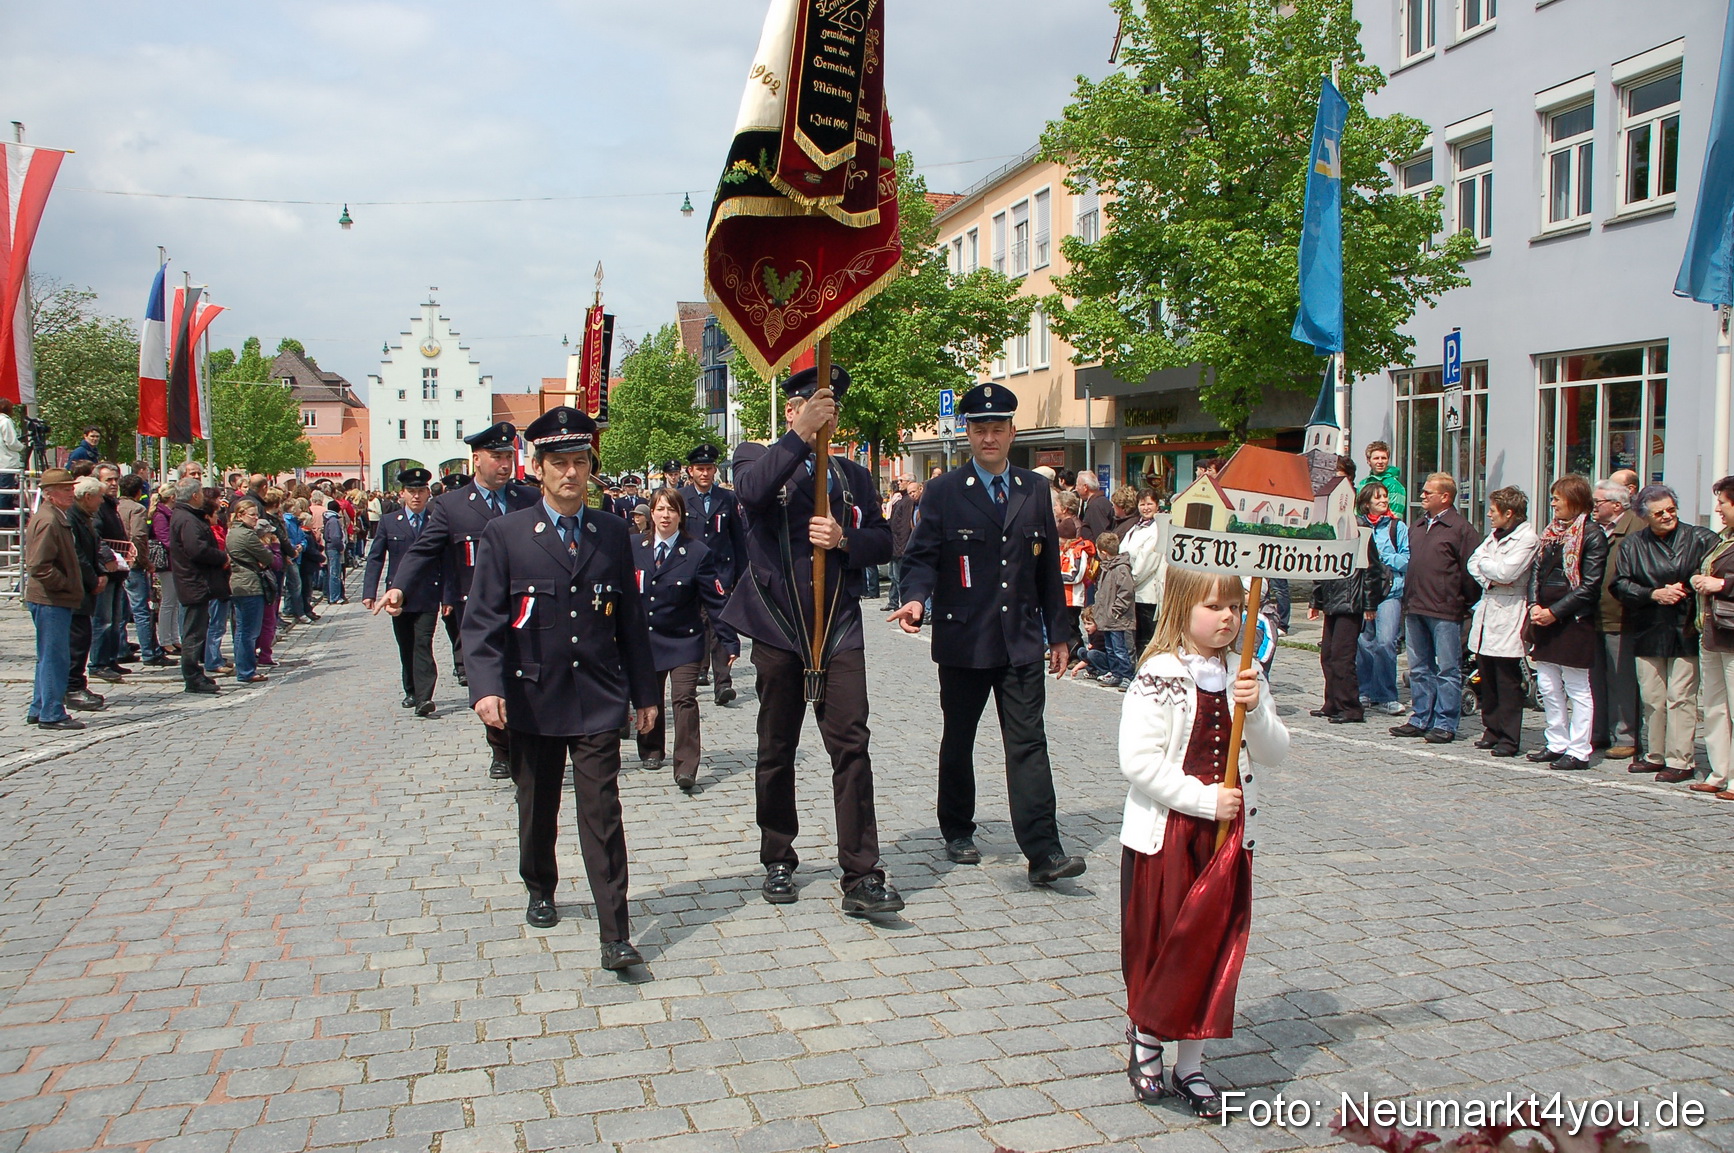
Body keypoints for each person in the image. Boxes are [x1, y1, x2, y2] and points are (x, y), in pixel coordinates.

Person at [463, 407, 655, 972]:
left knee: (602, 812)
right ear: (538, 468)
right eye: (559, 463)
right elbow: (483, 621)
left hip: (597, 695)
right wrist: (486, 687)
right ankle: (540, 884)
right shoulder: (506, 534)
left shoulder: (611, 532)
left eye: (580, 462)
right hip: (533, 696)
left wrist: (645, 694)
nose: (571, 473)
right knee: (537, 804)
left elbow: (630, 621)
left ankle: (615, 933)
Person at [724, 363, 904, 914]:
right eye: (814, 406)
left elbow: (886, 541)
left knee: (852, 745)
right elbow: (752, 493)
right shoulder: (755, 456)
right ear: (791, 410)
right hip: (778, 625)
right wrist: (801, 436)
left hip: (838, 625)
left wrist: (845, 539)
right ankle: (778, 856)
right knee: (776, 746)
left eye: (831, 409)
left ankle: (862, 872)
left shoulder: (852, 476)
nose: (826, 417)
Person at [893, 382, 1088, 886]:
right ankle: (957, 827)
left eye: (997, 428)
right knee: (959, 738)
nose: (989, 437)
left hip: (1020, 640)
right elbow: (921, 557)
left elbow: (1046, 569)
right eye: (980, 429)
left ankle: (1044, 851)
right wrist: (915, 598)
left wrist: (1059, 633)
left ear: (1012, 432)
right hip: (965, 640)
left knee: (1029, 742)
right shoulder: (944, 490)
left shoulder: (1033, 488)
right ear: (968, 434)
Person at [1118, 566, 1289, 1118]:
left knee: (1212, 942)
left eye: (1235, 607)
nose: (1228, 618)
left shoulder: (1244, 672)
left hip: (1225, 837)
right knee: (1164, 937)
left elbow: (1275, 752)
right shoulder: (1160, 674)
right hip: (1169, 834)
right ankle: (1147, 1038)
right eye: (1213, 607)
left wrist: (1254, 708)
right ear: (1182, 607)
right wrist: (1201, 799)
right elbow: (1138, 761)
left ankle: (1190, 1061)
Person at [380, 423, 540, 778]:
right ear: (476, 459)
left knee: (528, 681)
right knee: (491, 681)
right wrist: (399, 587)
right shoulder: (451, 506)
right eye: (496, 457)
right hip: (480, 612)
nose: (505, 464)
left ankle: (528, 745)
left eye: (508, 456)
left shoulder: (528, 500)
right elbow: (423, 550)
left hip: (528, 609)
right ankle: (501, 750)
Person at [1611, 484, 1718, 783]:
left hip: (1685, 626)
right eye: (1659, 513)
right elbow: (1620, 584)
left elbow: (1714, 569)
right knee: (1652, 697)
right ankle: (1655, 754)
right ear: (1645, 516)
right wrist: (1653, 593)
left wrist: (1687, 585)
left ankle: (1681, 759)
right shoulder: (1633, 544)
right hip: (1649, 626)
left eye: (1671, 509)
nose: (1668, 516)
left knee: (1681, 697)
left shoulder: (1699, 537)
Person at [634, 488, 737, 790]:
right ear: (651, 513)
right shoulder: (634, 547)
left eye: (672, 510)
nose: (665, 516)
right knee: (650, 696)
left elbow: (715, 602)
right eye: (660, 509)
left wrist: (729, 640)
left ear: (681, 516)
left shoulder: (696, 552)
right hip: (647, 640)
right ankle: (651, 749)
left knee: (684, 699)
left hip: (684, 641)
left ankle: (686, 766)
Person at [1523, 476, 1608, 771]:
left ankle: (1579, 749)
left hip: (1574, 620)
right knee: (1547, 684)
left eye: (1558, 498)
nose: (1553, 503)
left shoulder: (1593, 535)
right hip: (1545, 618)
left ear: (1574, 500)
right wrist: (1534, 605)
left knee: (1577, 686)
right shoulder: (1551, 533)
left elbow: (1590, 586)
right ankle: (1556, 741)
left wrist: (1555, 612)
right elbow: (1536, 572)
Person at [1391, 474, 1481, 744]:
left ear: (1445, 497)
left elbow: (1471, 573)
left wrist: (1462, 603)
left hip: (1445, 610)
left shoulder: (1460, 529)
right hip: (1415, 606)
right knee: (1419, 668)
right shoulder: (1418, 526)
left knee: (1448, 669)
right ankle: (1421, 716)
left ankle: (1445, 722)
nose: (1422, 495)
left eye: (1428, 492)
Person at [1465, 486, 1538, 758]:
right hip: (1489, 606)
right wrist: (1490, 576)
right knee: (1487, 676)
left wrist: (1490, 569)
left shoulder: (1527, 538)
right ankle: (1492, 729)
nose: (1489, 515)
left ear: (1509, 513)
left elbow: (1508, 572)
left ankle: (1509, 736)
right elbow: (1473, 562)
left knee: (1507, 679)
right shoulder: (1494, 536)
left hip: (1510, 609)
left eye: (1493, 510)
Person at [365, 468, 442, 715]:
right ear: (403, 494)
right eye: (411, 491)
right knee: (406, 644)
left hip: (428, 592)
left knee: (422, 643)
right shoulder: (390, 522)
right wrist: (369, 592)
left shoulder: (437, 521)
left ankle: (424, 697)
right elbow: (376, 557)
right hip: (398, 596)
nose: (416, 496)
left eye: (420, 491)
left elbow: (448, 560)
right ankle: (410, 689)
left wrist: (449, 595)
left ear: (428, 493)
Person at [678, 442, 748, 706]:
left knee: (721, 626)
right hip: (688, 572)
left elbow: (738, 538)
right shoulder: (681, 498)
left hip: (721, 573)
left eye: (709, 468)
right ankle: (693, 676)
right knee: (693, 625)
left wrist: (742, 575)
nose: (705, 473)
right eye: (700, 469)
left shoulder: (727, 498)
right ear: (691, 471)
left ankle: (723, 684)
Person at [23, 470, 86, 729]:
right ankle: (51, 712)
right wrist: (66, 584)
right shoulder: (49, 520)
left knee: (48, 655)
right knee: (55, 657)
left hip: (53, 598)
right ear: (49, 494)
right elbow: (39, 566)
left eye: (71, 487)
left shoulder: (55, 516)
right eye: (65, 489)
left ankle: (40, 707)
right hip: (51, 599)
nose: (71, 493)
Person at [1306, 514, 1379, 724]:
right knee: (1328, 655)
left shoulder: (1360, 528)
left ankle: (1350, 707)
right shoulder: (1328, 527)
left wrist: (1369, 603)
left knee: (1342, 657)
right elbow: (1320, 565)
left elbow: (1372, 569)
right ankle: (1332, 702)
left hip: (1351, 600)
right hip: (1332, 598)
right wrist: (1316, 601)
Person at [1591, 479, 1643, 760]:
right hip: (1594, 615)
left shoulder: (1637, 528)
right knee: (1596, 679)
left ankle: (1626, 736)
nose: (1593, 507)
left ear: (1616, 505)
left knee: (1621, 680)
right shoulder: (1596, 528)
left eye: (1597, 502)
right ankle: (1599, 731)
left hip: (1622, 616)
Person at [1690, 475, 1734, 800]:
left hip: (1731, 634)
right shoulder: (1723, 540)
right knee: (1715, 705)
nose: (1717, 509)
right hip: (1712, 630)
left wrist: (1722, 585)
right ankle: (1720, 772)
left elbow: (1725, 581)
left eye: (1722, 503)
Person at [170, 478, 230, 695]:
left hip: (197, 580)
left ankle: (196, 672)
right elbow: (197, 550)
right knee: (193, 633)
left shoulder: (188, 516)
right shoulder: (187, 519)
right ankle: (192, 676)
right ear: (194, 495)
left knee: (198, 630)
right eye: (201, 494)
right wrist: (222, 556)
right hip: (194, 581)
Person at [1354, 482, 1408, 717]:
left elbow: (1407, 560)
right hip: (1365, 592)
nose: (1384, 501)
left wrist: (1380, 556)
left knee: (1386, 642)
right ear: (1367, 504)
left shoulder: (1397, 527)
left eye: (1385, 496)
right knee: (1365, 643)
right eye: (1378, 498)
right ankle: (1364, 691)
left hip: (1390, 592)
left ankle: (1386, 695)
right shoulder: (1358, 526)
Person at [117, 475, 166, 667]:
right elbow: (138, 536)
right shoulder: (136, 509)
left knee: (120, 611)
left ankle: (121, 648)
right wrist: (145, 562)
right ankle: (150, 651)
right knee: (141, 610)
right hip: (133, 564)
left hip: (118, 562)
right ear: (139, 492)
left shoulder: (116, 506)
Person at [225, 501, 274, 684]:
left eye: (256, 514)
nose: (255, 518)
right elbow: (267, 557)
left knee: (241, 630)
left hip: (239, 583)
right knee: (249, 631)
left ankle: (243, 668)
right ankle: (246, 670)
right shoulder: (246, 535)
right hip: (249, 585)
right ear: (240, 515)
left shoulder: (232, 532)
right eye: (252, 515)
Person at [1089, 532, 1137, 688]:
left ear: (1103, 552)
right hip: (1108, 619)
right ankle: (1116, 673)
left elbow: (1126, 591)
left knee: (1121, 649)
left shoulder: (1121, 568)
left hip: (1118, 619)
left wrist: (1116, 610)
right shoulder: (1106, 568)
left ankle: (1127, 675)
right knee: (1110, 649)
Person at [1123, 487, 1166, 656]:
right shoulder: (1136, 527)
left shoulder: (1157, 529)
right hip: (1134, 590)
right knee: (1137, 637)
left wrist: (1129, 582)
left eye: (1149, 504)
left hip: (1147, 593)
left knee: (1147, 638)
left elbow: (1146, 562)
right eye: (1142, 504)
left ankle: (1146, 666)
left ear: (1157, 505)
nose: (1146, 508)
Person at [885, 480, 922, 613]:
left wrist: (902, 547)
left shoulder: (908, 502)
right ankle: (894, 601)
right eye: (910, 492)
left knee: (900, 577)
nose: (899, 482)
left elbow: (905, 527)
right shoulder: (902, 500)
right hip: (896, 544)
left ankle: (905, 602)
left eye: (902, 481)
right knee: (894, 576)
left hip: (902, 546)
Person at [1357, 441, 1406, 519]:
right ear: (1369, 461)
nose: (1380, 462)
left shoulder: (1394, 485)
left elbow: (1394, 516)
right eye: (1376, 458)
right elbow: (1357, 511)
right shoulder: (1363, 483)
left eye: (1383, 458)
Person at [0, 397, 22, 531]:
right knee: (6, 491)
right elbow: (11, 442)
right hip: (6, 462)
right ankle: (5, 520)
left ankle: (6, 518)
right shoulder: (5, 421)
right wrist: (22, 446)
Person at [1078, 470, 1114, 539]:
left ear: (1085, 487)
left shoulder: (1095, 506)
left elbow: (1101, 536)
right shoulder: (1100, 502)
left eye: (1077, 485)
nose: (1076, 489)